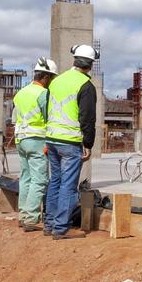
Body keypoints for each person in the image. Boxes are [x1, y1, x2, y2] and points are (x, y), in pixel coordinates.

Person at [43, 43, 99, 240]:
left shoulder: (56, 81)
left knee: (54, 182)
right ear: (91, 65)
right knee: (68, 185)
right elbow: (87, 119)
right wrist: (88, 144)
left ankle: (49, 224)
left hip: (51, 138)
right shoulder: (86, 86)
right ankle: (60, 229)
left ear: (74, 60)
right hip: (70, 141)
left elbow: (46, 109)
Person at [12, 57, 57, 232]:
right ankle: (31, 218)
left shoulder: (21, 93)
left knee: (26, 178)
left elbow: (16, 118)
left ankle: (23, 215)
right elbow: (49, 118)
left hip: (21, 139)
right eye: (51, 79)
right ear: (46, 78)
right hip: (37, 140)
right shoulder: (43, 94)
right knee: (40, 180)